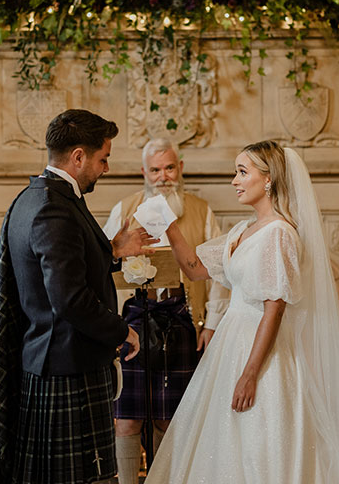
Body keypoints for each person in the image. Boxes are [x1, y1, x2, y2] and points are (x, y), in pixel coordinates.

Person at [143, 140, 339, 484]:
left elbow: (274, 310)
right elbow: (195, 267)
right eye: (236, 172)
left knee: (262, 442)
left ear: (269, 178)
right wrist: (169, 226)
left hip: (261, 354)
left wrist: (250, 374)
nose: (235, 180)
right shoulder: (244, 230)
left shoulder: (279, 234)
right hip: (231, 344)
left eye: (243, 172)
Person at [0, 109, 157, 484]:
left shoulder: (35, 197)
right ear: (78, 156)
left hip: (54, 361)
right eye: (103, 158)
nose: (106, 168)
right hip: (66, 366)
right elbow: (69, 299)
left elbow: (61, 271)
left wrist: (112, 250)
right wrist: (121, 331)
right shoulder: (53, 209)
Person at [102, 138, 229, 484]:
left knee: (168, 419)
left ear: (180, 168)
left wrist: (213, 324)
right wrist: (110, 327)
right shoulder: (124, 209)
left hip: (182, 321)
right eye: (155, 170)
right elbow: (102, 269)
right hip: (134, 321)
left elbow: (219, 272)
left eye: (169, 167)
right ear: (144, 172)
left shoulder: (202, 211)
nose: (163, 177)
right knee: (126, 419)